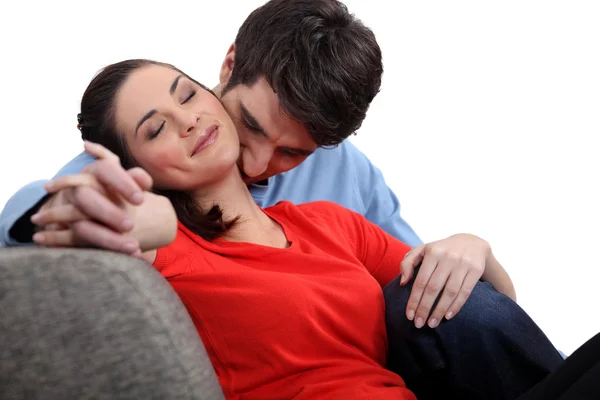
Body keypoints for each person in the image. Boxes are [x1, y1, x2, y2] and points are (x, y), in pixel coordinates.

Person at [34, 58, 596, 400]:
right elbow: (96, 234)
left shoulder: (331, 222)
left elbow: (477, 315)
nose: (188, 120)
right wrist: (145, 219)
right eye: (156, 129)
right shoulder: (171, 253)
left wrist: (475, 245)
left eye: (186, 94)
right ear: (136, 168)